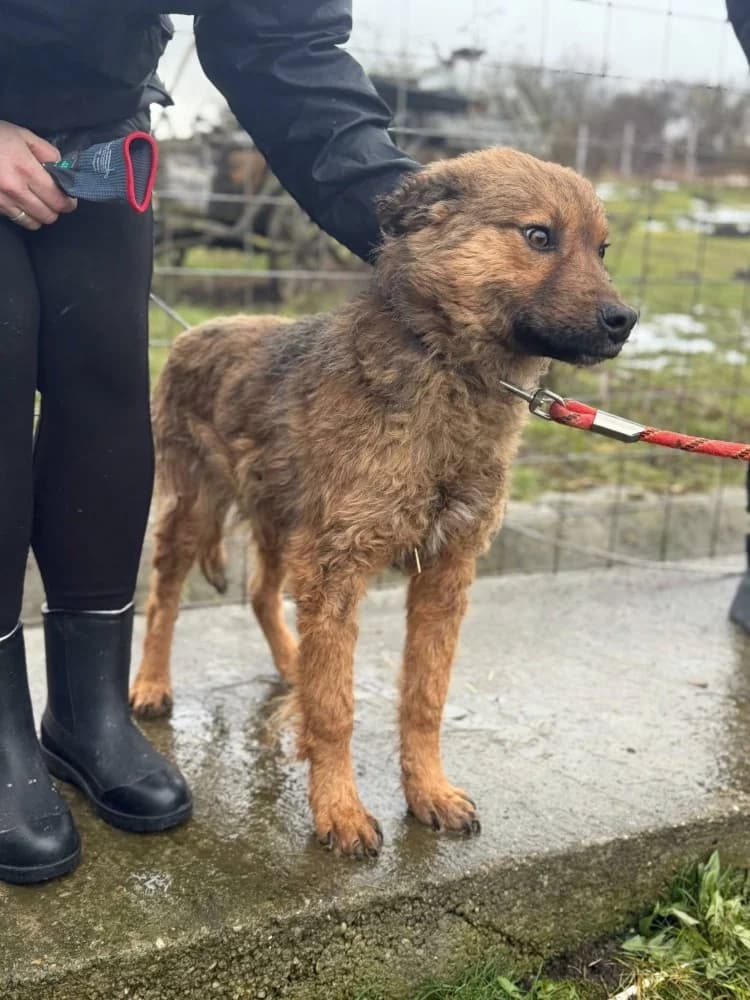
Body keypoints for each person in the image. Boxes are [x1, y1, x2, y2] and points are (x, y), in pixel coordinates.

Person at [0, 1, 419, 885]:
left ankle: (86, 713)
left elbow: (284, 38)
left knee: (104, 392)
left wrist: (419, 235)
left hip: (100, 120)